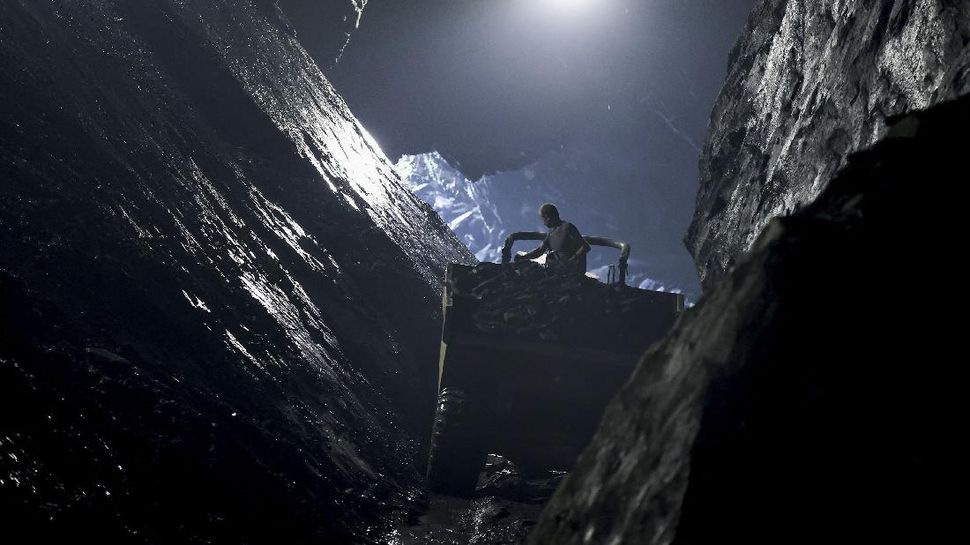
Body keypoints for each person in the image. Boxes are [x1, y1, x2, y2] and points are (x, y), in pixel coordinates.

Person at [514, 203, 591, 274]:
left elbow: (585, 247)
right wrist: (524, 257)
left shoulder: (567, 227)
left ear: (547, 217)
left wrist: (570, 261)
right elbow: (539, 251)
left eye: (543, 219)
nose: (544, 223)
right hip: (557, 269)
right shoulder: (551, 233)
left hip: (570, 272)